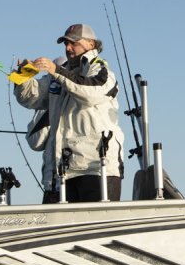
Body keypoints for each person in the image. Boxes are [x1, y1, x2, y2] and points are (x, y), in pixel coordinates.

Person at [14, 23, 124, 203]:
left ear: (91, 44)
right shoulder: (60, 75)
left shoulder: (100, 69)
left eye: (74, 43)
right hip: (61, 172)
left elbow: (91, 92)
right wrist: (23, 76)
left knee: (95, 221)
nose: (68, 48)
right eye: (66, 43)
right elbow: (31, 98)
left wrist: (56, 70)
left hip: (96, 168)